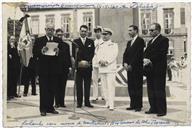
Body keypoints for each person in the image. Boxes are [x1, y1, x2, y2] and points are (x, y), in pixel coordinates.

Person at [33, 23, 67, 116]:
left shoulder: (58, 40)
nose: (50, 31)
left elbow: (64, 53)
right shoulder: (39, 40)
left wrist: (59, 51)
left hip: (54, 69)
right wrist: (41, 50)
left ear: (54, 30)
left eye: (52, 30)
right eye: (48, 29)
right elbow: (34, 53)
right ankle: (43, 109)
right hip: (43, 69)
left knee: (52, 89)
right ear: (45, 30)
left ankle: (50, 108)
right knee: (44, 90)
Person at [144, 23, 169, 117]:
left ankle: (161, 110)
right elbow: (145, 52)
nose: (149, 32)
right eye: (149, 30)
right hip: (150, 69)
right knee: (151, 89)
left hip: (159, 69)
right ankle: (153, 108)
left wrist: (150, 59)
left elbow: (162, 53)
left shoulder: (164, 40)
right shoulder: (150, 42)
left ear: (158, 30)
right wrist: (144, 59)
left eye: (152, 30)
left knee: (159, 89)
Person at [123, 25, 145, 112]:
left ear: (136, 31)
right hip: (129, 68)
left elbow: (138, 55)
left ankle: (138, 105)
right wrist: (124, 63)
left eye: (130, 30)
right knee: (131, 87)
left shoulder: (140, 41)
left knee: (137, 87)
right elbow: (125, 54)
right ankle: (132, 104)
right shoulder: (129, 42)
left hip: (137, 68)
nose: (129, 32)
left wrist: (131, 65)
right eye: (128, 30)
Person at [72, 25, 95, 108]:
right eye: (82, 31)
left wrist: (87, 61)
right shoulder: (75, 42)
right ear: (79, 31)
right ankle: (79, 102)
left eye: (85, 31)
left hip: (88, 66)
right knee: (79, 85)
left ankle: (87, 102)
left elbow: (92, 53)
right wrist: (80, 61)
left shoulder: (91, 42)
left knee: (87, 85)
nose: (83, 33)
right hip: (79, 66)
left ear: (87, 32)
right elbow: (74, 54)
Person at [97, 28, 118, 111]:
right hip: (102, 68)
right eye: (103, 34)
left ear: (110, 35)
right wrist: (100, 61)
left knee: (111, 86)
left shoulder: (114, 45)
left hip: (110, 68)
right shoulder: (100, 45)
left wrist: (106, 61)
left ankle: (111, 104)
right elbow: (97, 54)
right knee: (104, 87)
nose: (104, 36)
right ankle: (107, 102)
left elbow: (114, 55)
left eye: (106, 34)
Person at [54, 28, 71, 108]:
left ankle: (62, 102)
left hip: (64, 69)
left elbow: (68, 57)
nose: (59, 36)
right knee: (56, 86)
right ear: (55, 35)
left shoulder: (66, 45)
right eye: (58, 35)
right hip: (56, 69)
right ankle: (57, 102)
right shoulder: (52, 45)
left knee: (63, 86)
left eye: (61, 35)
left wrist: (70, 67)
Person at [92, 26, 105, 102]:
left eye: (99, 32)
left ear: (101, 32)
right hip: (94, 61)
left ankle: (103, 95)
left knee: (102, 79)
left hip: (101, 62)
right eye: (96, 32)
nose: (97, 33)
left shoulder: (103, 41)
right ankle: (95, 96)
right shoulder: (93, 42)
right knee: (94, 80)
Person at [7, 36, 21, 100]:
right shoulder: (7, 46)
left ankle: (14, 93)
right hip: (9, 67)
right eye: (11, 39)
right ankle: (9, 94)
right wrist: (11, 48)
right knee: (10, 80)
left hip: (16, 66)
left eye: (14, 39)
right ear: (9, 40)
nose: (13, 40)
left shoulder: (16, 46)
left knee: (15, 80)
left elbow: (16, 56)